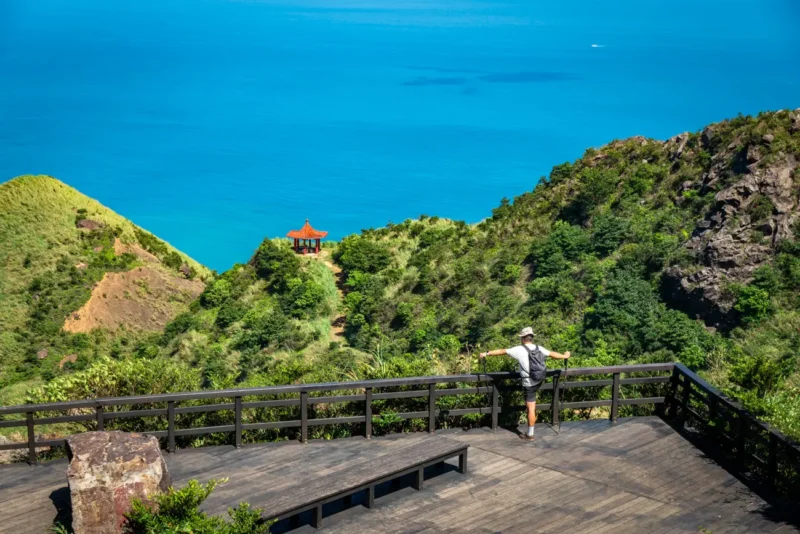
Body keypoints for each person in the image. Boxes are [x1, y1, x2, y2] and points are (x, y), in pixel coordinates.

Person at [479, 327, 570, 441]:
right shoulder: (539, 348)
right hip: (539, 380)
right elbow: (552, 354)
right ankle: (531, 429)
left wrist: (486, 353)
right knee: (533, 405)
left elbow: (502, 351)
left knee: (531, 407)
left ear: (522, 338)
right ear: (532, 338)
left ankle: (530, 434)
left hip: (529, 383)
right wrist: (565, 356)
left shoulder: (519, 349)